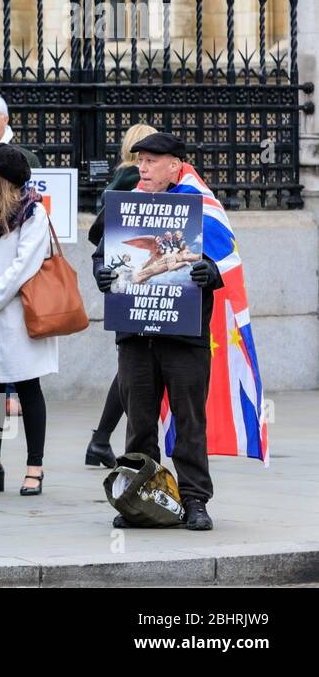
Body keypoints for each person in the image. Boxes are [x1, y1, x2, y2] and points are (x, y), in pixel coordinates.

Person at [90, 133, 222, 531]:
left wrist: (209, 272)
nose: (142, 168)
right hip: (136, 334)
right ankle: (139, 499)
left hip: (184, 337)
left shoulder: (201, 209)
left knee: (189, 421)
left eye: (150, 161)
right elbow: (102, 252)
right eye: (140, 160)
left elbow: (223, 262)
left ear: (174, 166)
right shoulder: (126, 201)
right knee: (140, 422)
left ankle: (195, 500)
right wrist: (102, 272)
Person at [0, 144, 57, 497]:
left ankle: (35, 467)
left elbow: (23, 267)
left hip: (16, 317)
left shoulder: (33, 215)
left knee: (28, 389)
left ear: (3, 179)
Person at [84, 122, 157, 469]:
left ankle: (100, 440)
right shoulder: (134, 180)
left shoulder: (119, 177)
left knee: (128, 366)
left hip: (125, 275)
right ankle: (101, 439)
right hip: (137, 277)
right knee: (132, 368)